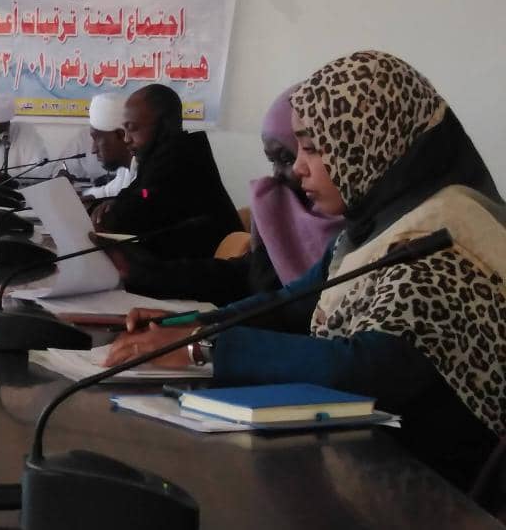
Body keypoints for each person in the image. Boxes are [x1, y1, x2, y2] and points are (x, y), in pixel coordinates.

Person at [106, 51, 504, 490]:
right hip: (365, 460)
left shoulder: (441, 235)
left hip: (434, 487)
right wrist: (192, 326)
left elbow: (370, 366)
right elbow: (290, 303)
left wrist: (203, 350)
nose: (297, 168)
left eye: (314, 148)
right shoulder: (373, 225)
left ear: (371, 142)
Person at [109, 86, 343, 305]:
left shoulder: (356, 243)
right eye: (273, 161)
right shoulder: (288, 214)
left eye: (288, 158)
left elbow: (288, 312)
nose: (296, 169)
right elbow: (249, 279)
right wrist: (145, 274)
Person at [93, 84, 242, 259]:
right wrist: (115, 202)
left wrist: (106, 213)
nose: (126, 139)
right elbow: (142, 193)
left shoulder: (181, 160)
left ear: (163, 125)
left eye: (132, 128)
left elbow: (139, 210)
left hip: (210, 268)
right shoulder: (160, 157)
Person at [80, 92, 136, 200]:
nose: (93, 150)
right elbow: (107, 191)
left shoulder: (148, 171)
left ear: (122, 135)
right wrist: (79, 195)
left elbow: (144, 195)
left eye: (97, 139)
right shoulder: (125, 170)